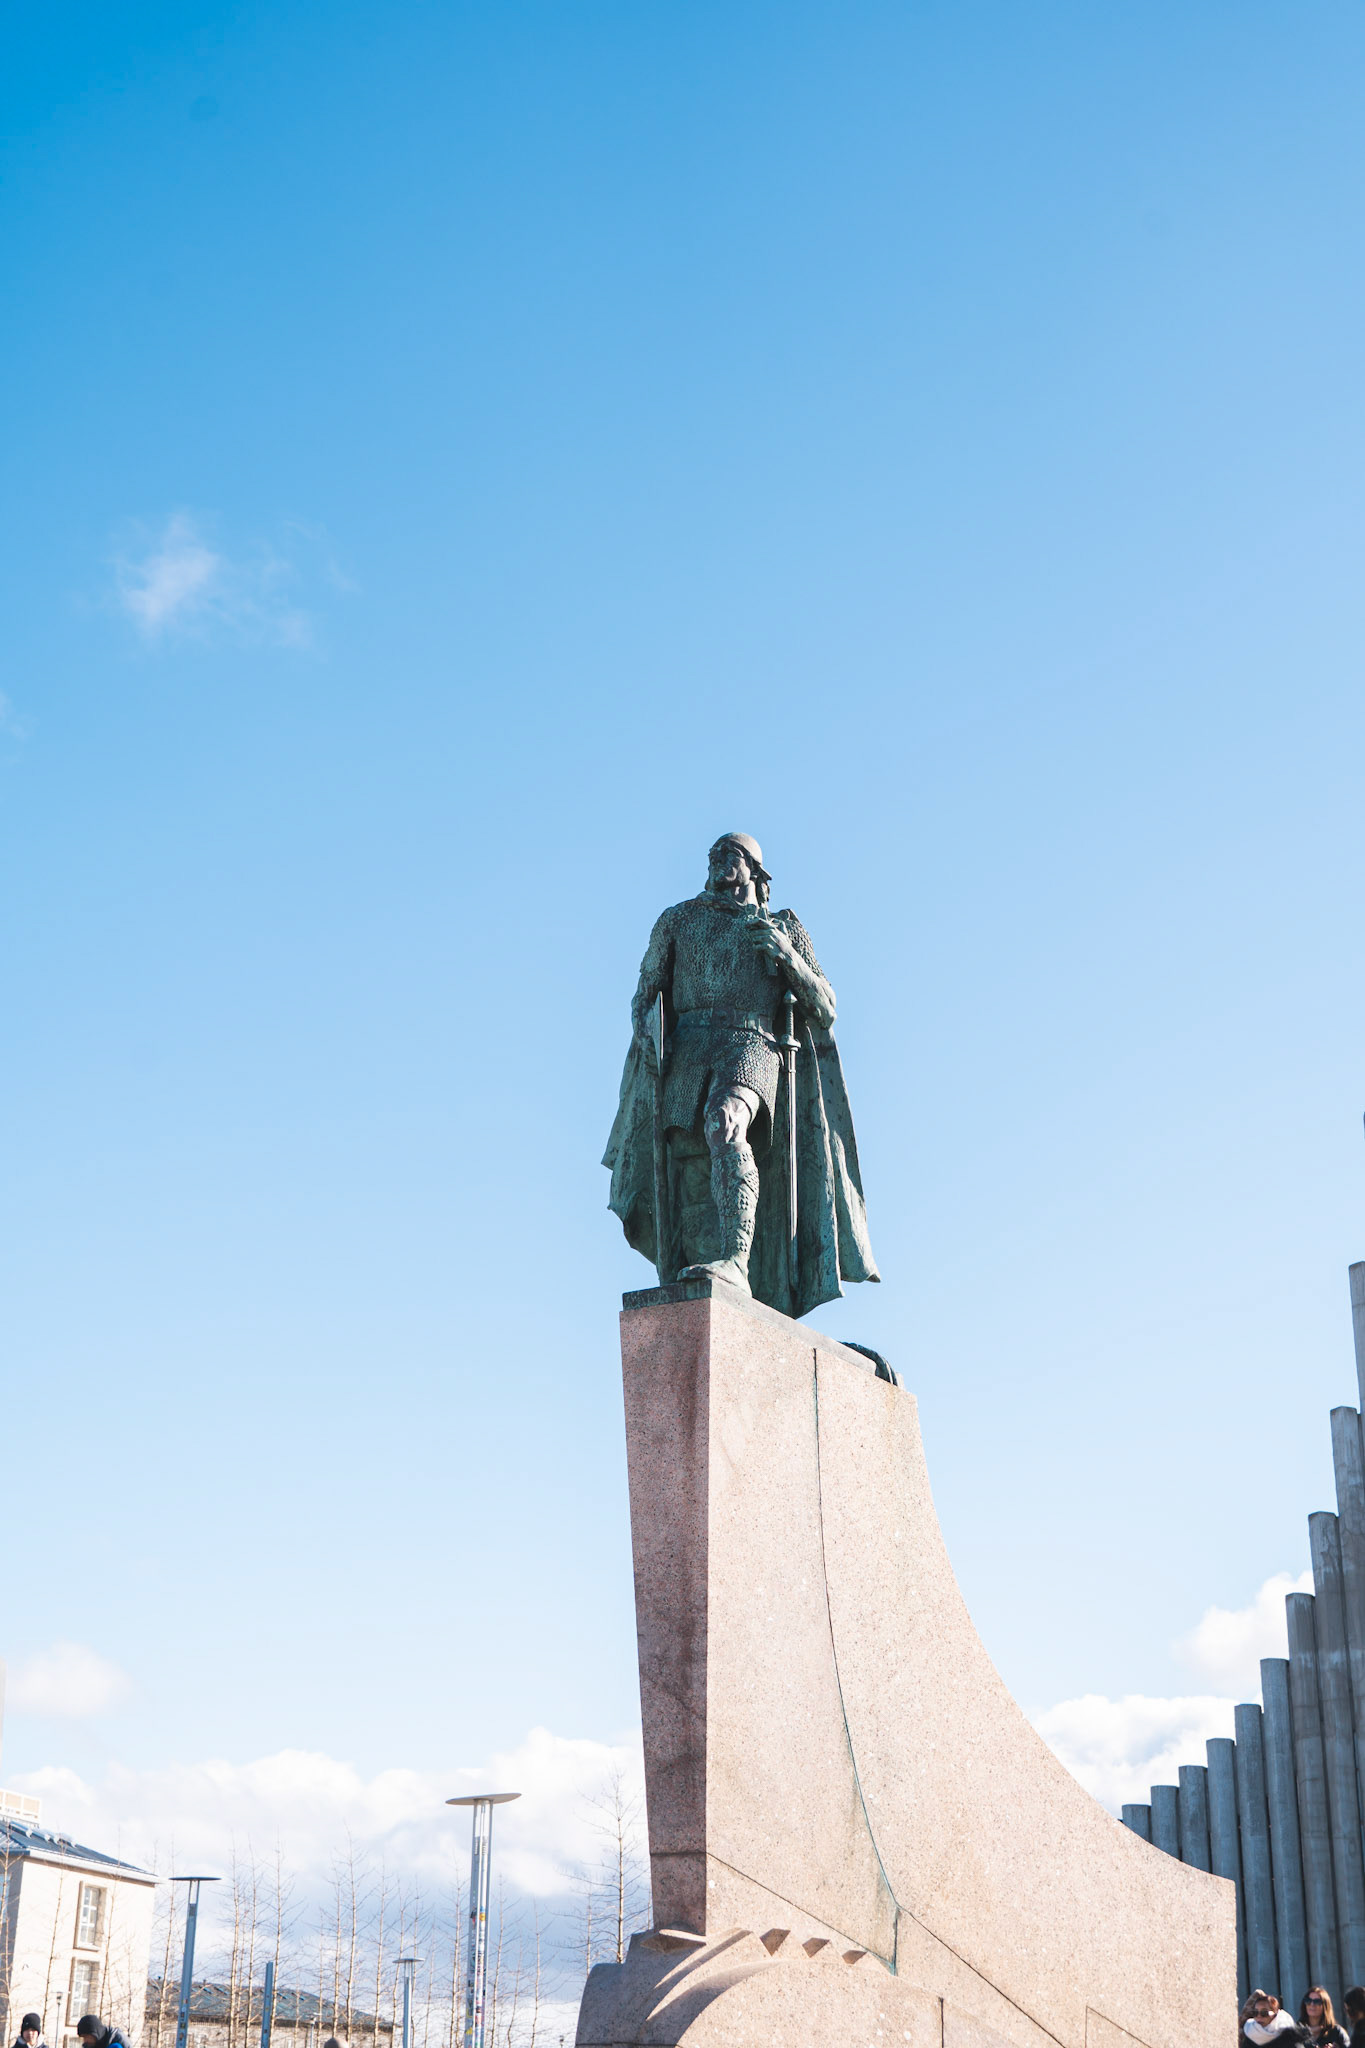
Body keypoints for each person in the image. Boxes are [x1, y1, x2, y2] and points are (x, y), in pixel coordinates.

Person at [604, 832, 879, 1316]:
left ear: (755, 869)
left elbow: (826, 1007)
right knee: (690, 1167)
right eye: (713, 854)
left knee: (725, 1121)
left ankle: (737, 1261)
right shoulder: (677, 920)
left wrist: (787, 956)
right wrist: (647, 1032)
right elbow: (645, 996)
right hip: (688, 1049)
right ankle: (695, 1270)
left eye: (729, 854)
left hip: (750, 1043)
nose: (717, 861)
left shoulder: (781, 925)